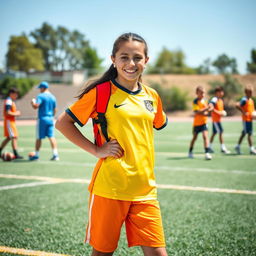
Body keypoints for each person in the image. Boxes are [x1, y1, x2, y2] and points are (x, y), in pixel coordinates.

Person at [55, 33, 168, 256]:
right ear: (113, 59)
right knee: (103, 253)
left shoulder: (152, 96)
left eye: (137, 57)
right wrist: (96, 149)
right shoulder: (101, 92)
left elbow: (158, 122)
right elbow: (62, 123)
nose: (131, 63)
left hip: (145, 189)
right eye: (124, 57)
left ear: (146, 61)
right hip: (110, 188)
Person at [30, 81, 59, 161]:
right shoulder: (53, 97)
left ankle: (36, 155)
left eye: (40, 88)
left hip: (42, 119)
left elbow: (36, 106)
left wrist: (32, 102)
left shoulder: (40, 96)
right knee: (52, 137)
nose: (40, 90)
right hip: (50, 119)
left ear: (43, 88)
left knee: (38, 137)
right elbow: (55, 109)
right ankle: (55, 154)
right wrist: (52, 116)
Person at [188, 86, 212, 160]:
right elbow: (196, 111)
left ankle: (207, 153)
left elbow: (208, 111)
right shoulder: (195, 101)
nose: (203, 94)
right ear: (197, 93)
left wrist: (211, 108)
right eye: (201, 93)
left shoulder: (205, 101)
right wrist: (206, 109)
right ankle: (190, 151)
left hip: (204, 122)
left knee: (205, 136)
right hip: (197, 123)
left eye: (203, 93)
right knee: (194, 138)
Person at [0, 88, 23, 159]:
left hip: (10, 121)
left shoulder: (10, 101)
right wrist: (16, 113)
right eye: (15, 94)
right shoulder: (9, 101)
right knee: (14, 137)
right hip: (9, 121)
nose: (16, 96)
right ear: (11, 93)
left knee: (9, 138)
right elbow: (7, 112)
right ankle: (16, 154)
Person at [234, 85, 256, 155]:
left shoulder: (251, 100)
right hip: (246, 120)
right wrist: (243, 112)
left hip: (250, 120)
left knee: (244, 133)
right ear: (247, 93)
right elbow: (237, 105)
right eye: (250, 92)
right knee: (249, 133)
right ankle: (251, 149)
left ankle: (237, 146)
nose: (252, 93)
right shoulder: (244, 99)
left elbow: (252, 110)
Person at [208, 86, 230, 154]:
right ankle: (223, 148)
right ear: (217, 92)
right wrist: (219, 113)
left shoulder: (220, 100)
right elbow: (211, 106)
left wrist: (222, 112)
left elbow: (219, 110)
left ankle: (209, 147)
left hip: (218, 120)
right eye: (220, 91)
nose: (222, 93)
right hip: (215, 120)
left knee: (214, 133)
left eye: (222, 91)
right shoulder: (215, 99)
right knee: (221, 132)